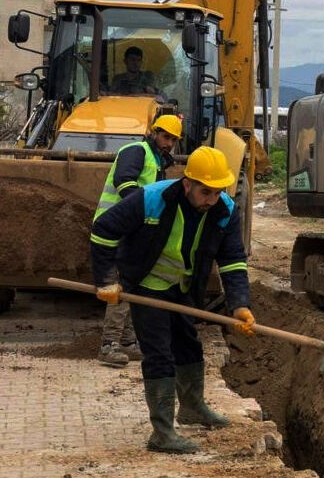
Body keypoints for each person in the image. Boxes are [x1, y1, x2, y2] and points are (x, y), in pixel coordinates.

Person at [90, 146, 256, 454]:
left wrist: (240, 304)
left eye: (218, 192)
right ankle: (162, 432)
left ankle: (192, 408)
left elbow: (232, 259)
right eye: (206, 192)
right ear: (187, 183)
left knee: (188, 344)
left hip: (182, 287)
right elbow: (103, 231)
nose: (212, 199)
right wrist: (106, 281)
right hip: (146, 285)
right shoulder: (151, 198)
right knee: (159, 354)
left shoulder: (224, 210)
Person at [94, 114, 183, 368]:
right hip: (116, 225)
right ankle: (110, 344)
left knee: (133, 281)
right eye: (165, 137)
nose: (168, 143)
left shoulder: (156, 161)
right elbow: (126, 184)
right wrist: (143, 215)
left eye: (173, 140)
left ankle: (126, 340)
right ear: (153, 132)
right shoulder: (136, 150)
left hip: (132, 228)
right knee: (122, 283)